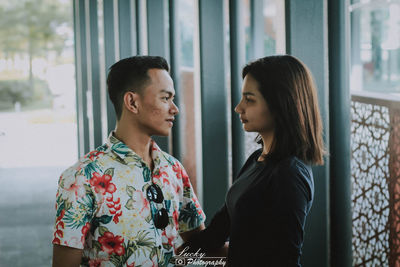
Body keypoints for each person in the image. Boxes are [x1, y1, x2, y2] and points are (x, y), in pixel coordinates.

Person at [52, 56, 206, 267]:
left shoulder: (173, 169)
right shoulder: (81, 178)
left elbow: (201, 247)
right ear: (132, 102)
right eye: (165, 98)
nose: (175, 108)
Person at [178, 55, 325, 266]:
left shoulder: (290, 174)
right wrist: (175, 258)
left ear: (279, 104)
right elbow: (218, 231)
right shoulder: (257, 159)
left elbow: (286, 260)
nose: (239, 108)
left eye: (250, 99)